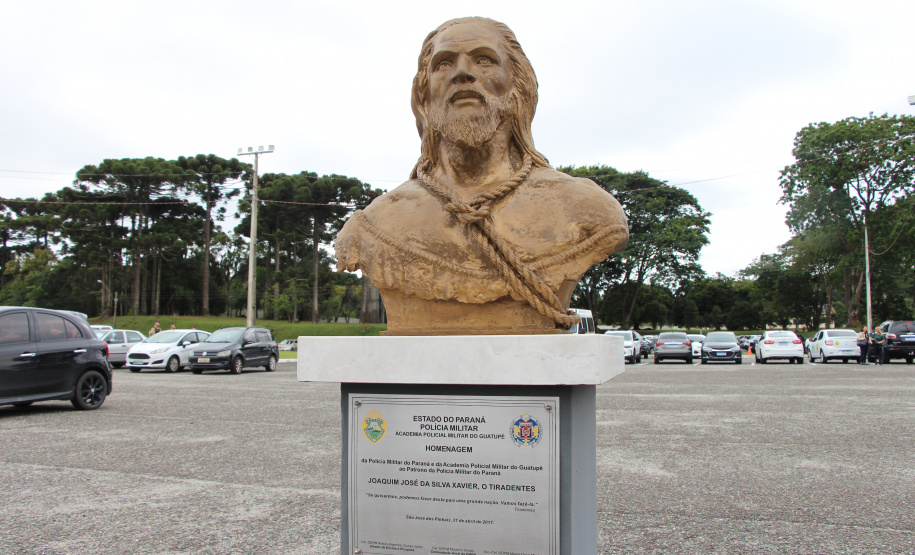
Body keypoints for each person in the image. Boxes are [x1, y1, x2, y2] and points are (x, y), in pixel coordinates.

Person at [335, 17, 629, 335]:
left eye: (484, 60)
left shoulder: (584, 208)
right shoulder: (375, 224)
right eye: (443, 64)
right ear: (424, 95)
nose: (462, 73)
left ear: (517, 84)